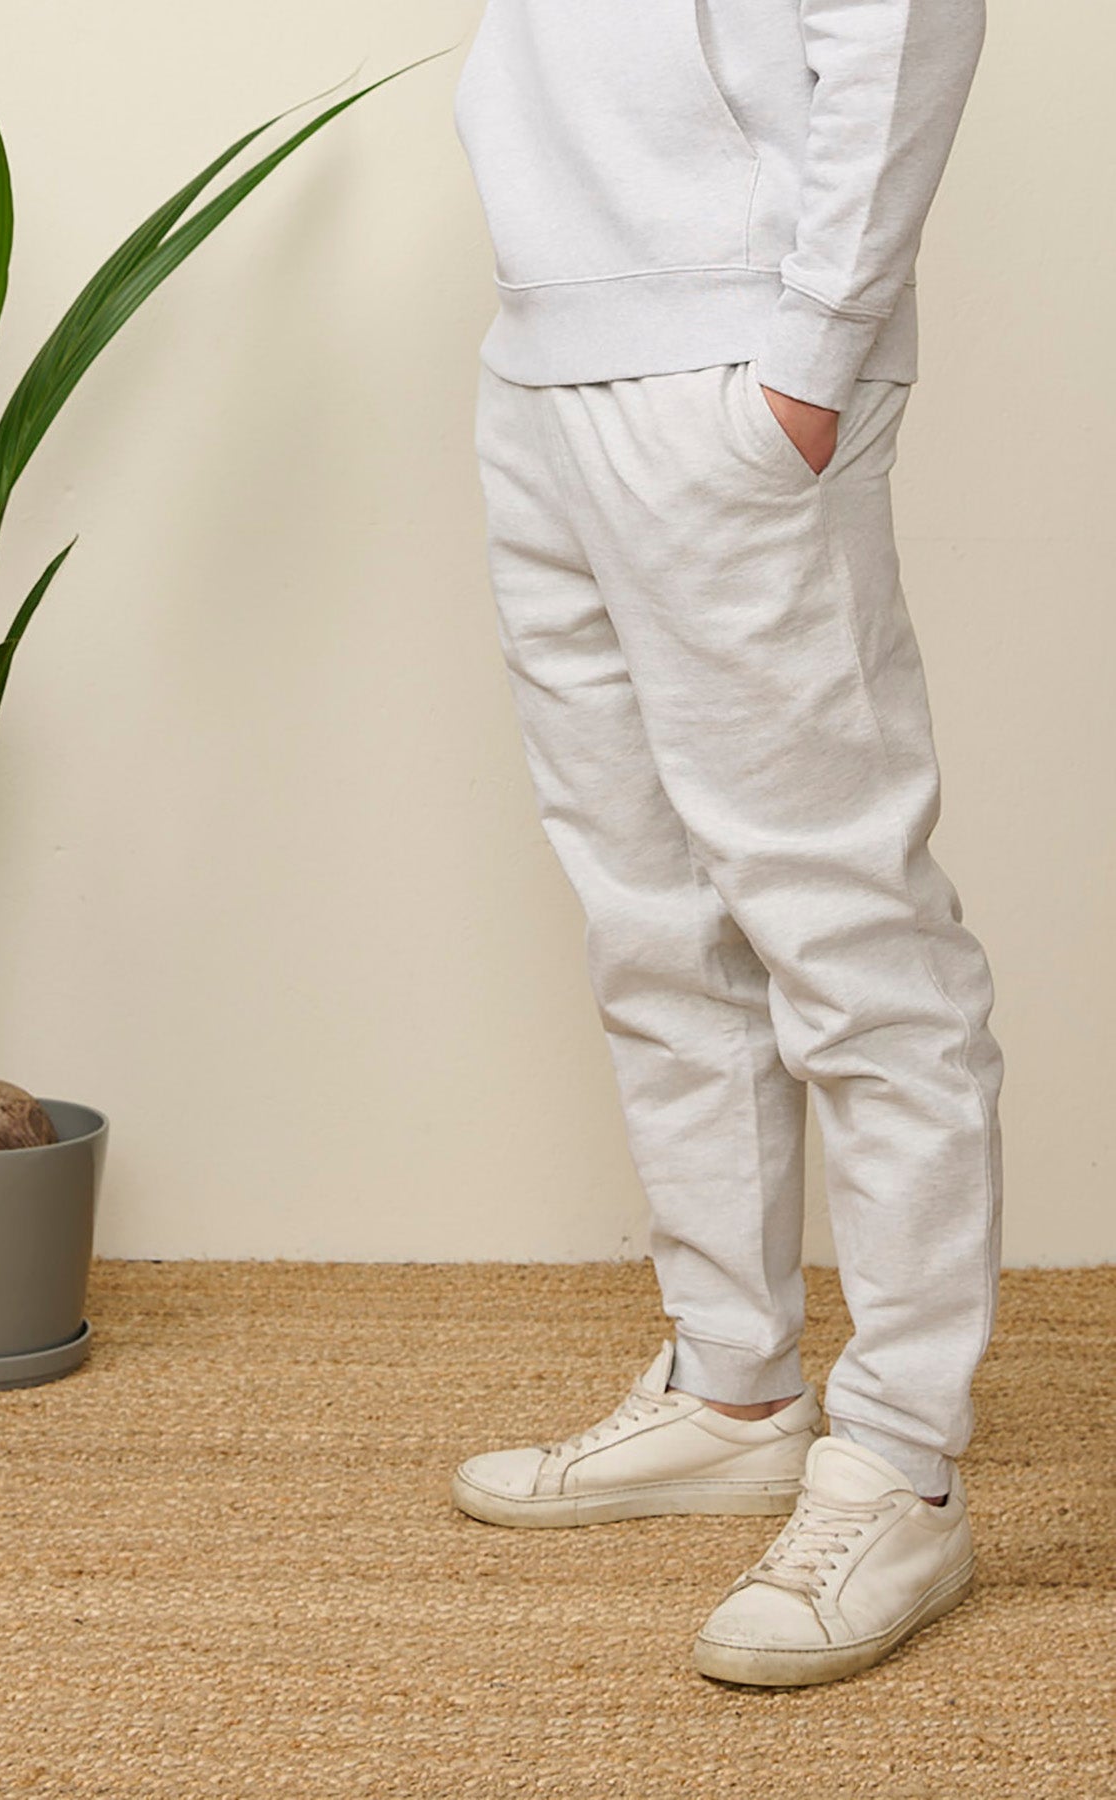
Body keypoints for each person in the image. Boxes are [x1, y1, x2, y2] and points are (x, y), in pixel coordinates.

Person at [447, 0, 1003, 1688]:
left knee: (847, 927)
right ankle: (734, 1390)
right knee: (653, 919)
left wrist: (815, 349)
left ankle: (899, 1460)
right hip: (545, 348)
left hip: (734, 360)